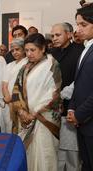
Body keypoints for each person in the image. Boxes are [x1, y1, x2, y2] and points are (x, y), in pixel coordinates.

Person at [11, 33, 62, 171]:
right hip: (25, 118)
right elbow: (16, 89)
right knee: (27, 154)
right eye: (26, 50)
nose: (29, 54)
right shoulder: (25, 67)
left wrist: (34, 114)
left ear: (43, 48)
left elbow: (53, 94)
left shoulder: (52, 65)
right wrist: (21, 111)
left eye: (32, 50)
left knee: (44, 155)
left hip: (43, 120)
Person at [51, 22, 84, 171]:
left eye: (58, 35)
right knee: (56, 149)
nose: (54, 38)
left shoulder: (80, 51)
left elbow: (82, 81)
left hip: (72, 107)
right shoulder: (52, 53)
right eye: (52, 36)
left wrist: (63, 94)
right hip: (53, 107)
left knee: (72, 151)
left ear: (69, 34)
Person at [67, 4, 93, 171]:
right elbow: (78, 83)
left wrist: (79, 114)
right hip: (83, 122)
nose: (78, 29)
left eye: (83, 24)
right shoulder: (86, 47)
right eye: (77, 24)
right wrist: (71, 108)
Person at [2, 39, 28, 133]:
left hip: (23, 103)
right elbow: (4, 85)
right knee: (10, 128)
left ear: (23, 49)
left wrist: (16, 102)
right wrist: (8, 98)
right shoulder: (9, 65)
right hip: (9, 103)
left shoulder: (28, 63)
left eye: (17, 49)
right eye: (12, 51)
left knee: (22, 131)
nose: (15, 52)